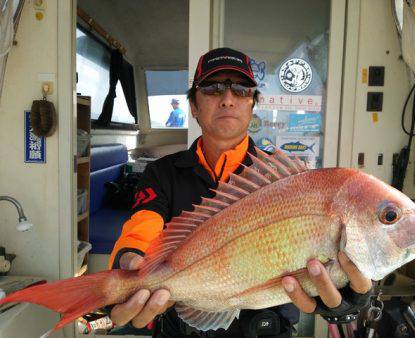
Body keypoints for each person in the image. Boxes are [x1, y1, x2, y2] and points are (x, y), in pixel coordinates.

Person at [108, 47, 373, 337]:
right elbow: (142, 228)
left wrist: (347, 295)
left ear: (252, 105)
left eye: (242, 89)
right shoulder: (161, 173)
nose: (227, 99)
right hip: (182, 326)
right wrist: (129, 263)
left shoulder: (286, 181)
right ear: (194, 107)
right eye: (211, 88)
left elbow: (316, 267)